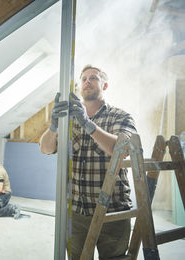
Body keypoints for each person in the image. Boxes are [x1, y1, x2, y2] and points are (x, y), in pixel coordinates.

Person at [40, 65, 137, 259]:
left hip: (113, 211)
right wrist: (53, 127)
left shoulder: (120, 116)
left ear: (105, 85)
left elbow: (123, 149)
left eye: (93, 78)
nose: (86, 81)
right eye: (83, 78)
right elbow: (46, 148)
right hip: (77, 213)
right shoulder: (69, 121)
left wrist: (88, 125)